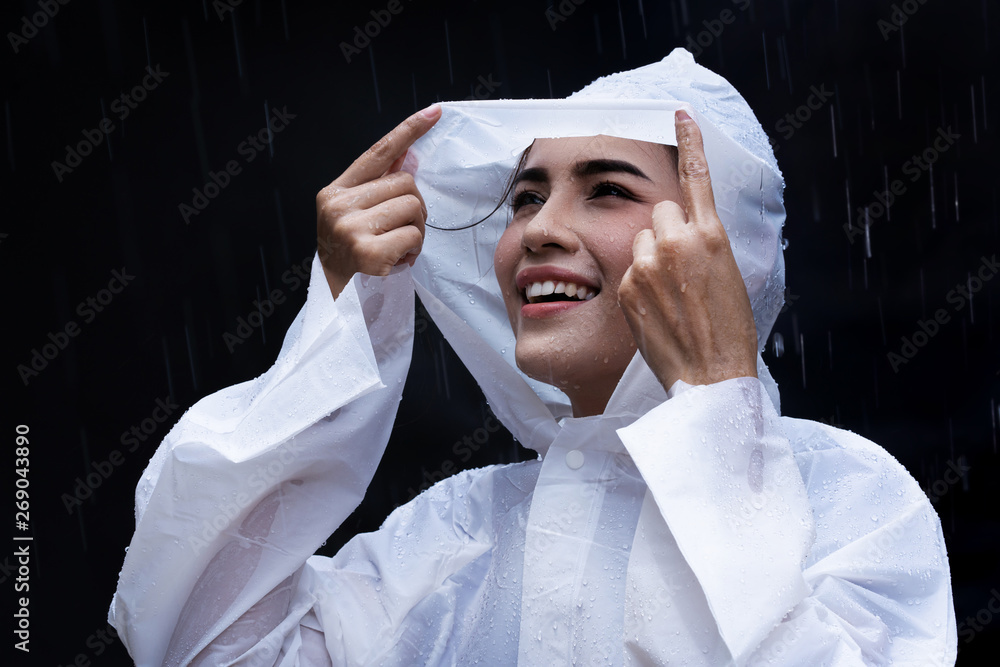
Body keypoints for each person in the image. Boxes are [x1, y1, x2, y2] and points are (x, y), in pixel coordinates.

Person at [110, 49, 957, 665]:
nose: (537, 229)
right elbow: (199, 642)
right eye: (523, 196)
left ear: (722, 248)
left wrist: (714, 406)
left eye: (609, 187)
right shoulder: (454, 534)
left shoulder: (847, 497)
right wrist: (342, 322)